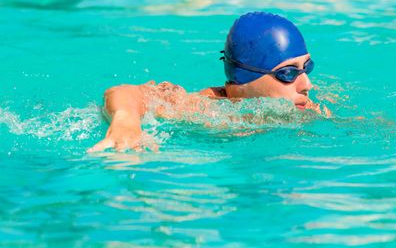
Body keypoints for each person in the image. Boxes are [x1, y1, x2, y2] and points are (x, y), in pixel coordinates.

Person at [89, 11, 328, 153]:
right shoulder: (206, 109)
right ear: (244, 81)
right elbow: (126, 92)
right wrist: (126, 122)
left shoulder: (307, 109)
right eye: (287, 73)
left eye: (307, 67)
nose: (307, 84)